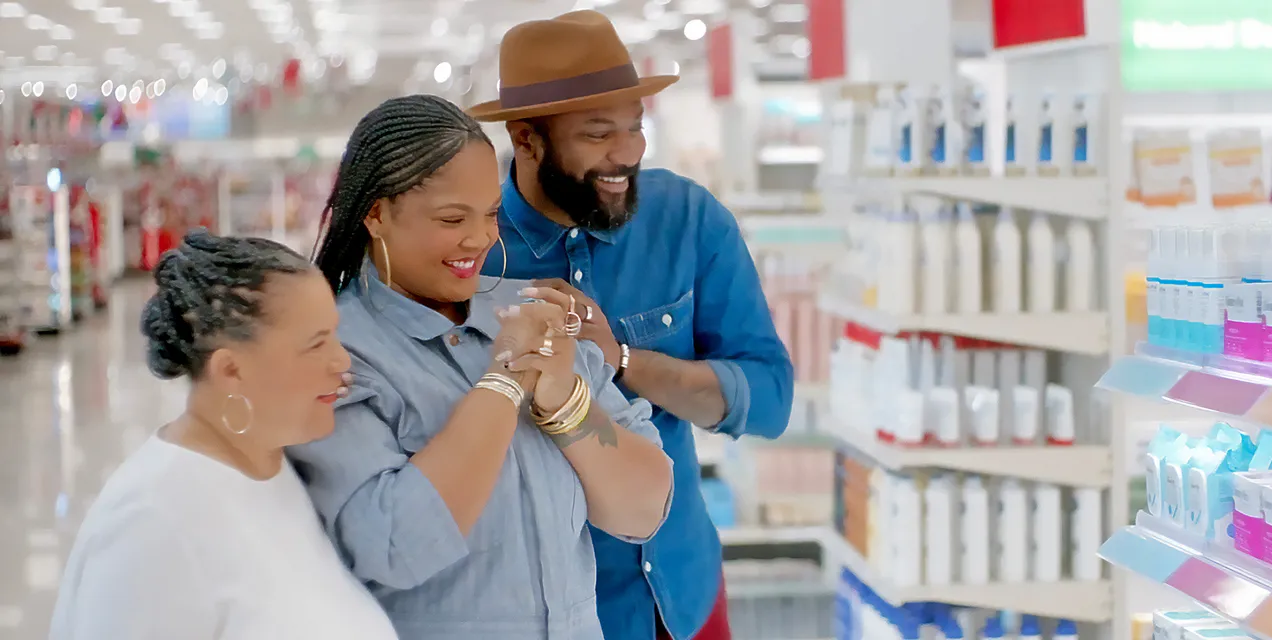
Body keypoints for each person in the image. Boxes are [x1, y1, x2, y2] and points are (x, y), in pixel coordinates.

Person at [291, 94, 674, 640]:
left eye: (492, 213)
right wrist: (502, 383)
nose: (480, 239)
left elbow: (645, 508)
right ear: (376, 214)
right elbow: (393, 546)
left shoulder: (535, 314)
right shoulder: (337, 354)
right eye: (452, 218)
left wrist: (568, 405)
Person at [468, 11, 794, 640]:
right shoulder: (474, 249)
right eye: (597, 134)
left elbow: (771, 400)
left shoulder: (688, 219)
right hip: (551, 614)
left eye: (635, 127)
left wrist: (620, 361)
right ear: (526, 138)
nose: (628, 152)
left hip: (682, 592)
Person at [50, 230, 397, 640]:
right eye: (316, 344)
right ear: (231, 370)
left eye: (334, 334)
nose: (342, 359)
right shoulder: (153, 525)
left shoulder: (269, 464)